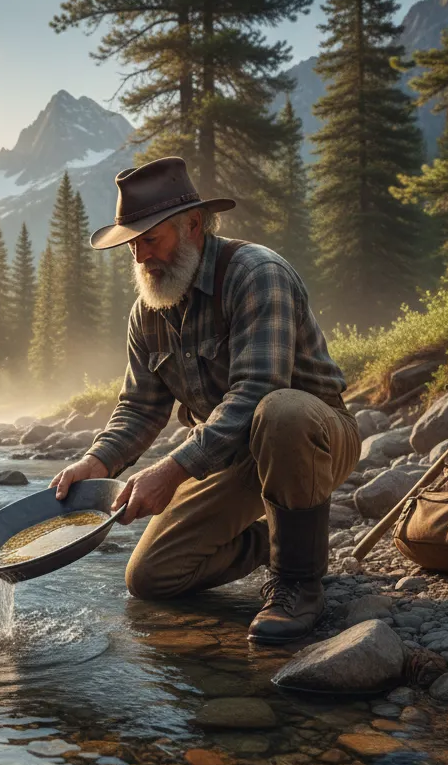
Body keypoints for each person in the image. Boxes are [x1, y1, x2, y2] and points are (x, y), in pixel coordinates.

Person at [49, 156, 360, 643]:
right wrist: (96, 463)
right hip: (230, 460)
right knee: (151, 578)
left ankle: (298, 582)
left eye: (150, 240)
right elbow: (139, 406)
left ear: (193, 225)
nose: (139, 258)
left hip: (312, 438)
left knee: (280, 411)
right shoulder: (146, 313)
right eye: (132, 244)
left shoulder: (256, 274)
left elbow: (259, 389)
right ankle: (281, 538)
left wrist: (170, 471)